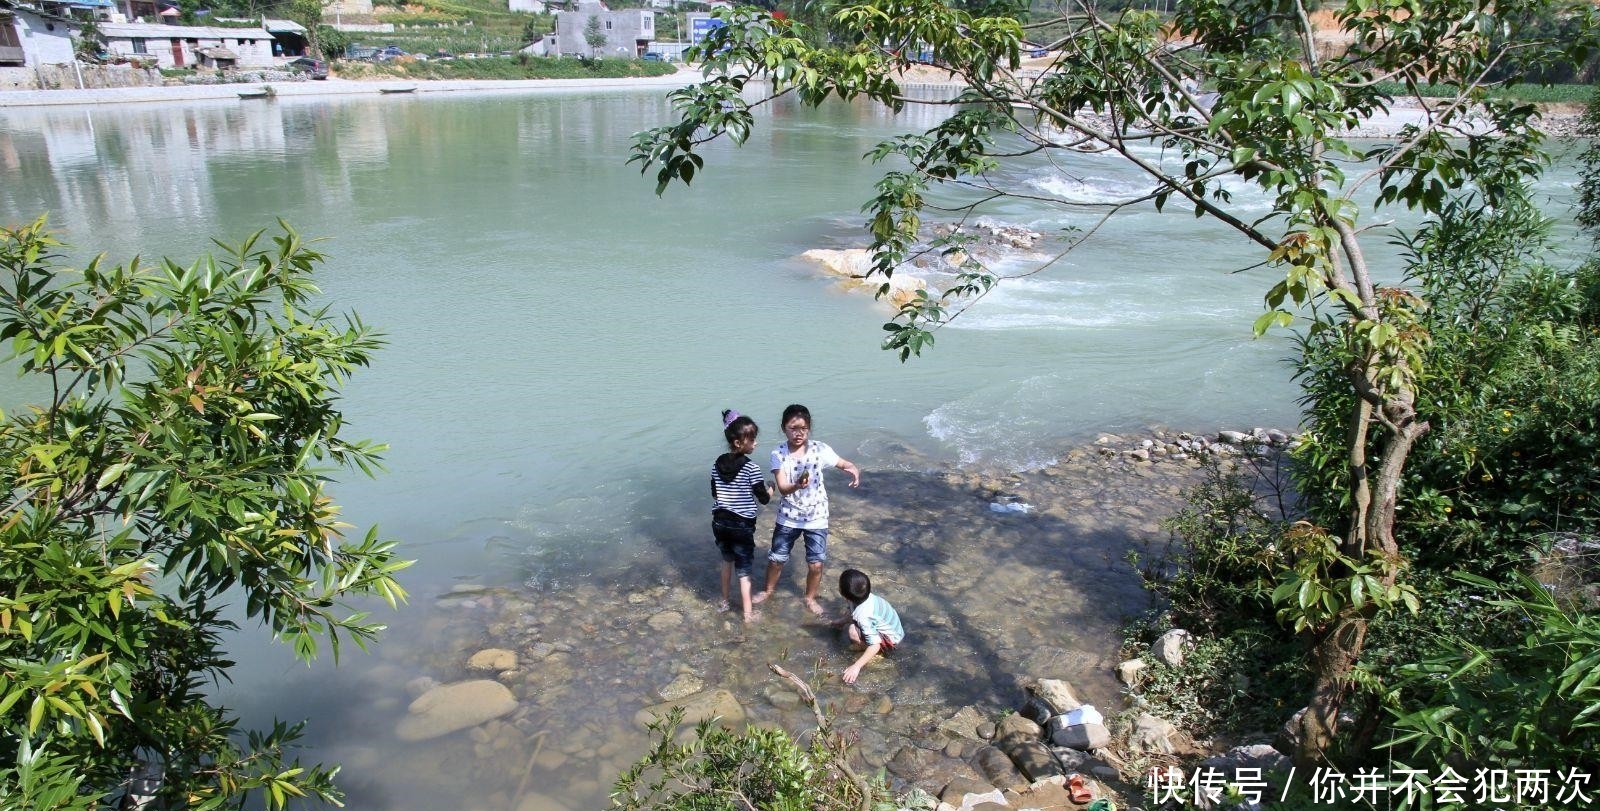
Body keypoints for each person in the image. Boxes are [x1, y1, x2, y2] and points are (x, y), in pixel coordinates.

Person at [753, 404, 860, 616]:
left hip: (817, 517)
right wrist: (797, 486)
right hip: (788, 517)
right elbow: (783, 488)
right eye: (793, 428)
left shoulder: (820, 449)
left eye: (803, 427)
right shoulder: (778, 453)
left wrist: (854, 469)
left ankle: (810, 598)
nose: (798, 432)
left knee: (816, 565)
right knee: (776, 560)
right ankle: (768, 591)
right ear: (784, 428)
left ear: (809, 428)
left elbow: (841, 463)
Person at [711, 409, 771, 622]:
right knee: (744, 571)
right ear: (738, 443)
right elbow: (763, 498)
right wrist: (772, 488)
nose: (755, 443)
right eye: (752, 439)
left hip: (719, 521)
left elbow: (715, 493)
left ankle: (724, 602)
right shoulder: (751, 468)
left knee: (726, 562)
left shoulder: (716, 464)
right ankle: (747, 615)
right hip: (741, 526)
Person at [836, 568, 904, 684]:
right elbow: (852, 613)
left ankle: (876, 655)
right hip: (895, 631)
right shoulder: (866, 598)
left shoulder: (864, 615)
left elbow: (875, 644)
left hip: (892, 642)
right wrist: (841, 621)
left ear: (844, 596)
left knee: (853, 631)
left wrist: (856, 666)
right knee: (854, 625)